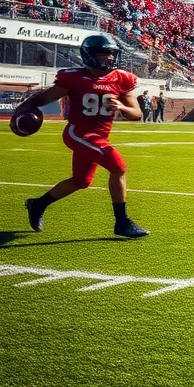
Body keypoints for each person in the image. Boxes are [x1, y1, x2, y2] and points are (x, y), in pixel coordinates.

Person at [16, 34, 149, 238]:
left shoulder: (122, 79)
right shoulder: (74, 78)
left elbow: (137, 114)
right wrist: (22, 111)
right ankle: (122, 223)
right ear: (89, 55)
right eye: (103, 55)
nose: (109, 59)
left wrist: (122, 106)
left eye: (111, 55)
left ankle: (37, 204)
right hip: (78, 132)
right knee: (118, 166)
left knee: (81, 181)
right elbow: (42, 98)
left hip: (99, 136)